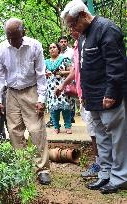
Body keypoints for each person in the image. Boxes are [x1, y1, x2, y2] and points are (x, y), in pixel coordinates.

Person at [61, 0, 127, 194]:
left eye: (73, 24)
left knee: (117, 137)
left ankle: (120, 177)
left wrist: (111, 93)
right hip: (92, 97)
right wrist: (85, 95)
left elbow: (116, 66)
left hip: (109, 96)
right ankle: (105, 174)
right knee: (101, 137)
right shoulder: (83, 36)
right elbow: (84, 68)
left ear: (83, 15)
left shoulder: (107, 29)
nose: (72, 28)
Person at [0, 17, 51, 185]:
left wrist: (41, 99)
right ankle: (22, 167)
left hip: (31, 90)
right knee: (14, 131)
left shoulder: (35, 46)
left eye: (15, 37)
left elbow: (41, 74)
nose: (12, 41)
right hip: (12, 93)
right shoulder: (2, 49)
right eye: (8, 37)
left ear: (23, 33)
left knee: (36, 130)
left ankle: (43, 169)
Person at [56, 30, 100, 178]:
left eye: (73, 25)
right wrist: (63, 86)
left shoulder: (89, 42)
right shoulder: (77, 45)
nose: (70, 30)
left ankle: (105, 166)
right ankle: (100, 164)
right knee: (93, 132)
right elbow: (75, 71)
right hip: (84, 96)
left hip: (94, 95)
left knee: (100, 132)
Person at [45, 43, 73, 134]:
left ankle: (68, 126)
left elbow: (71, 72)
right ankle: (56, 127)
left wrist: (62, 73)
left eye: (54, 47)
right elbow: (41, 75)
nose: (52, 49)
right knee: (54, 108)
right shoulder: (46, 62)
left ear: (58, 49)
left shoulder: (64, 59)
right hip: (51, 87)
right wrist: (46, 74)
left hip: (63, 86)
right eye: (50, 48)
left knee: (65, 107)